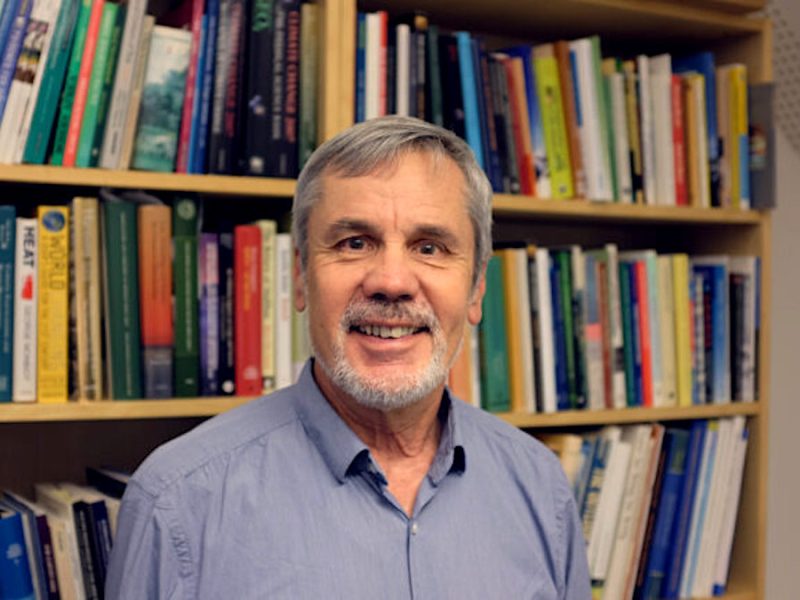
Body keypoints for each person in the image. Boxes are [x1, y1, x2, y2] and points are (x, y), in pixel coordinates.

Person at [105, 116, 592, 599]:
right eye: (354, 243)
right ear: (300, 277)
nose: (392, 282)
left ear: (477, 286)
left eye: (430, 247)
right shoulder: (177, 500)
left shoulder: (540, 486)